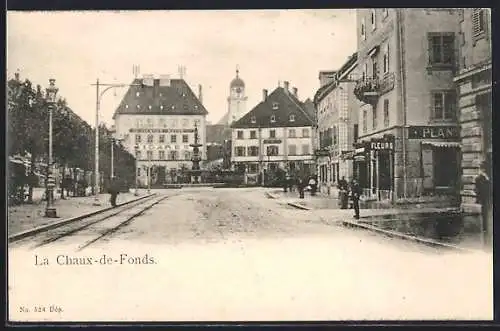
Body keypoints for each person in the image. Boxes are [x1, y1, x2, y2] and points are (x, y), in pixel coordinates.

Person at [475, 162, 492, 245]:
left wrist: (487, 179)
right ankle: (485, 229)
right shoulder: (478, 178)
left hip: (488, 198)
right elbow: (477, 190)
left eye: (481, 169)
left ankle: (487, 229)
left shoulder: (487, 178)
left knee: (488, 213)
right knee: (485, 214)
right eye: (480, 169)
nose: (481, 170)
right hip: (484, 199)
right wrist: (478, 199)